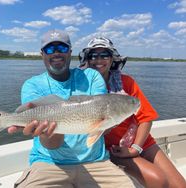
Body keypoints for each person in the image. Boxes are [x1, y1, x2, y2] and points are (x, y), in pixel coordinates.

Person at [8, 30, 135, 188]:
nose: (56, 53)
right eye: (49, 49)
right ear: (42, 54)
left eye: (61, 48)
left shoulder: (92, 77)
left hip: (97, 162)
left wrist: (108, 122)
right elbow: (52, 144)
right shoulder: (32, 85)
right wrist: (48, 131)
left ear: (70, 52)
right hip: (49, 163)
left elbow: (99, 125)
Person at [79, 36, 186, 188]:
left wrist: (135, 148)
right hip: (114, 149)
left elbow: (146, 117)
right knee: (157, 179)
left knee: (180, 185)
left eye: (104, 55)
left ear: (112, 58)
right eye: (93, 55)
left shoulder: (126, 82)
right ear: (87, 59)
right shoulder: (81, 86)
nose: (99, 60)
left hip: (142, 141)